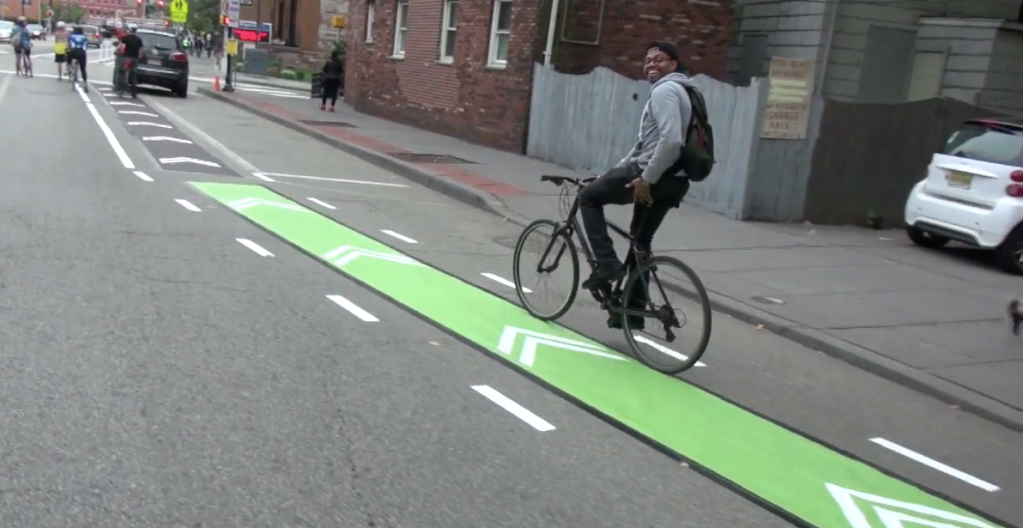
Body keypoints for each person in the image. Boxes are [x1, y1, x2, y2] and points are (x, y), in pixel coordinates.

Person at [578, 41, 694, 329]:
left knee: (588, 198)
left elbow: (671, 141)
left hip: (651, 175)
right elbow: (644, 142)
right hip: (675, 181)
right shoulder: (686, 91)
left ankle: (606, 264)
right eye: (648, 60)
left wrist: (645, 178)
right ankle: (631, 312)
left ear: (673, 64)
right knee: (640, 243)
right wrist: (610, 173)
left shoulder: (665, 90)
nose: (651, 64)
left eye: (659, 59)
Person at [116, 23, 144, 97]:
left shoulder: (125, 38)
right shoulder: (139, 40)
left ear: (129, 30)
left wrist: (117, 51)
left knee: (122, 72)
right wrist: (139, 56)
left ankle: (120, 90)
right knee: (134, 74)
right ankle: (134, 93)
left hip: (127, 58)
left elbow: (120, 46)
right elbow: (141, 51)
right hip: (135, 59)